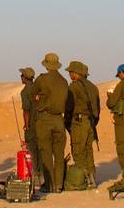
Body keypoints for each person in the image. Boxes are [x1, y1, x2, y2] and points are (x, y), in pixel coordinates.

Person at [31, 53, 70, 192]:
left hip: (45, 119)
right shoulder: (64, 81)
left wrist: (38, 101)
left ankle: (49, 185)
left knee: (46, 152)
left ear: (46, 65)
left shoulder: (42, 79)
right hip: (59, 119)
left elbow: (32, 95)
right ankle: (59, 184)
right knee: (59, 154)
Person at [65, 60, 100, 188]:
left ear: (75, 73)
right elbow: (97, 110)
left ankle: (82, 179)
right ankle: (92, 177)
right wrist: (93, 123)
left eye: (70, 72)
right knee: (88, 150)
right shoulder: (93, 87)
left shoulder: (74, 86)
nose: (69, 74)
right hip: (90, 123)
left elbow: (69, 106)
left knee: (78, 151)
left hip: (78, 122)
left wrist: (67, 123)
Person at [18, 67, 39, 183]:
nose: (21, 78)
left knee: (32, 150)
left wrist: (26, 125)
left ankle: (35, 175)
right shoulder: (38, 88)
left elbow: (26, 110)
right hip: (42, 123)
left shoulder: (25, 91)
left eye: (22, 76)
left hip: (32, 125)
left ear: (25, 78)